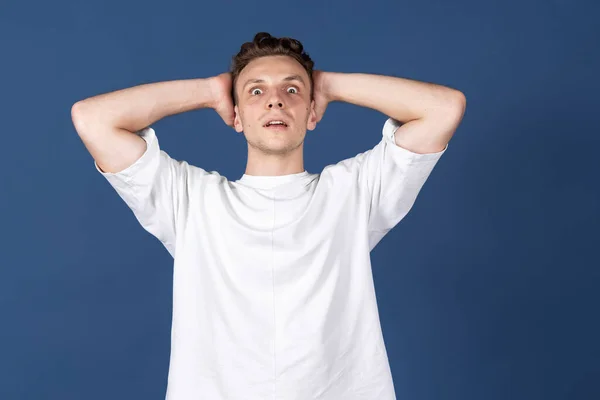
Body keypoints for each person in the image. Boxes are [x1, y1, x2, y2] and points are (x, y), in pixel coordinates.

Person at [71, 32, 466, 400]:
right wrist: (211, 91)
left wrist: (329, 85)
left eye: (291, 90)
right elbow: (93, 119)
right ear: (237, 115)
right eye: (256, 91)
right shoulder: (190, 199)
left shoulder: (353, 192)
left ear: (312, 113)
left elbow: (444, 109)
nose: (275, 101)